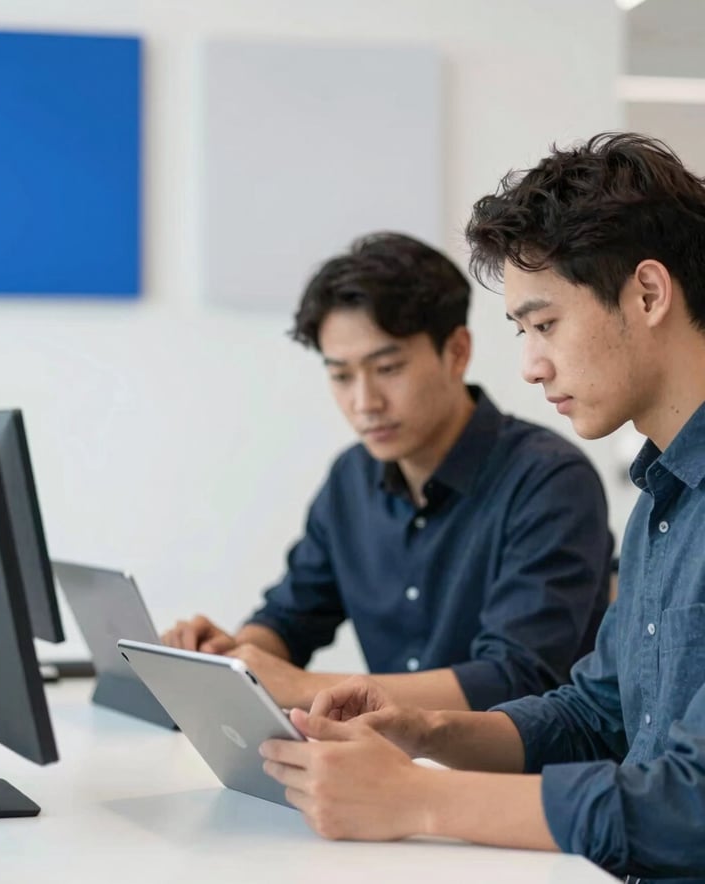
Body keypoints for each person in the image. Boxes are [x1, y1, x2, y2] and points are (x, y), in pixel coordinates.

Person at [259, 133, 705, 884]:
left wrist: (419, 799)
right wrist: (421, 731)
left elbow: (687, 811)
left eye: (545, 324)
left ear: (649, 293)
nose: (531, 366)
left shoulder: (566, 478)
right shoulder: (663, 497)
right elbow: (596, 715)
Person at [163, 232, 612, 711]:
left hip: (514, 778)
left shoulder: (550, 480)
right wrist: (232, 659)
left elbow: (515, 678)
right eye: (340, 376)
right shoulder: (350, 478)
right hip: (386, 764)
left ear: (457, 352)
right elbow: (290, 618)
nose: (364, 403)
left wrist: (299, 686)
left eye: (389, 368)